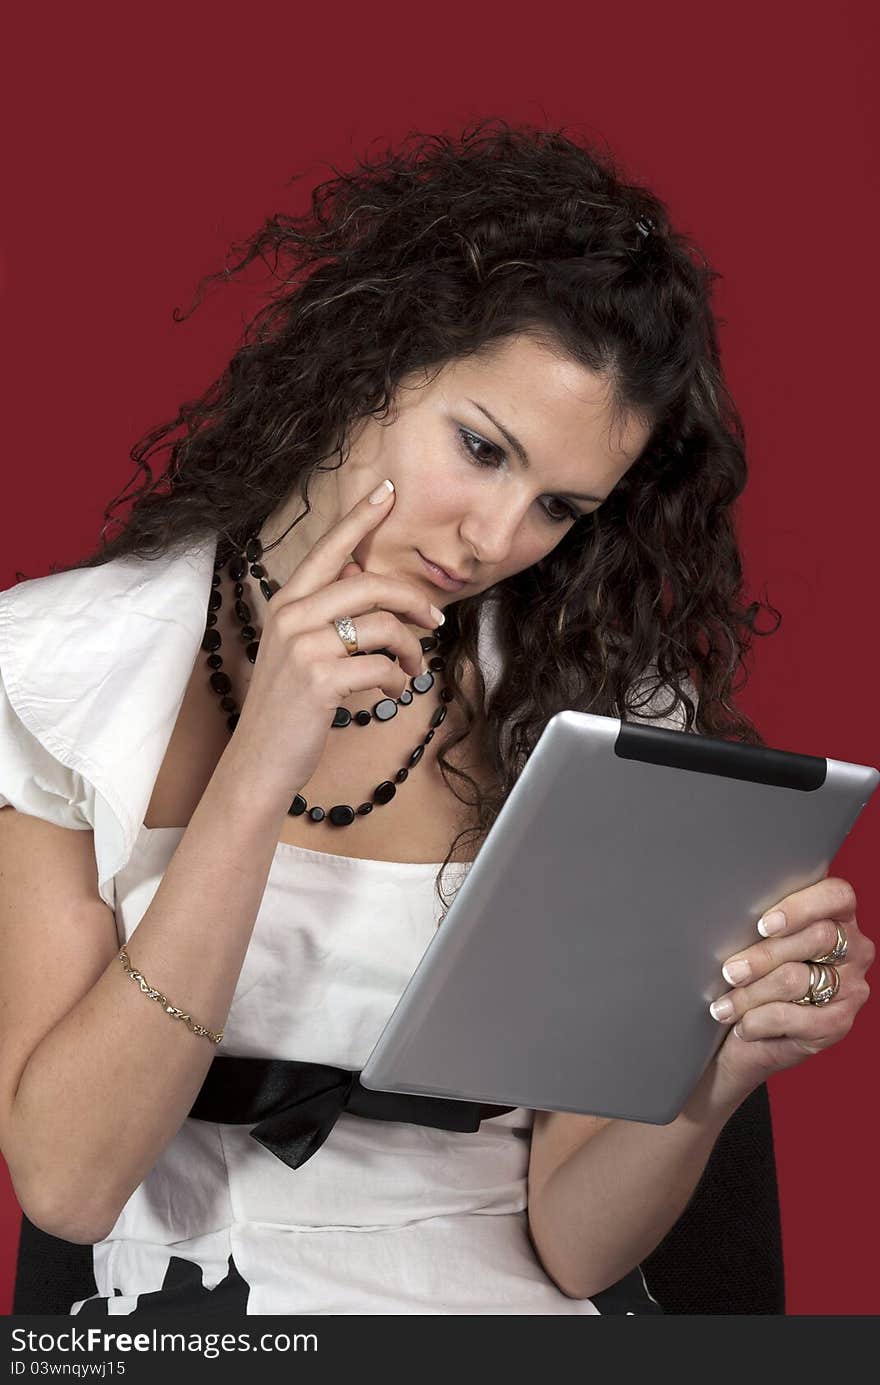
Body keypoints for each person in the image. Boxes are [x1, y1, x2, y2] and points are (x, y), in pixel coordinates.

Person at [0, 119, 872, 1317]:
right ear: (371, 360)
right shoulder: (65, 671)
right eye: (479, 447)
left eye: (558, 506)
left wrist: (708, 1082)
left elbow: (575, 1247)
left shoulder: (591, 713)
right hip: (208, 1314)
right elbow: (68, 1181)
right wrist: (261, 759)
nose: (493, 540)